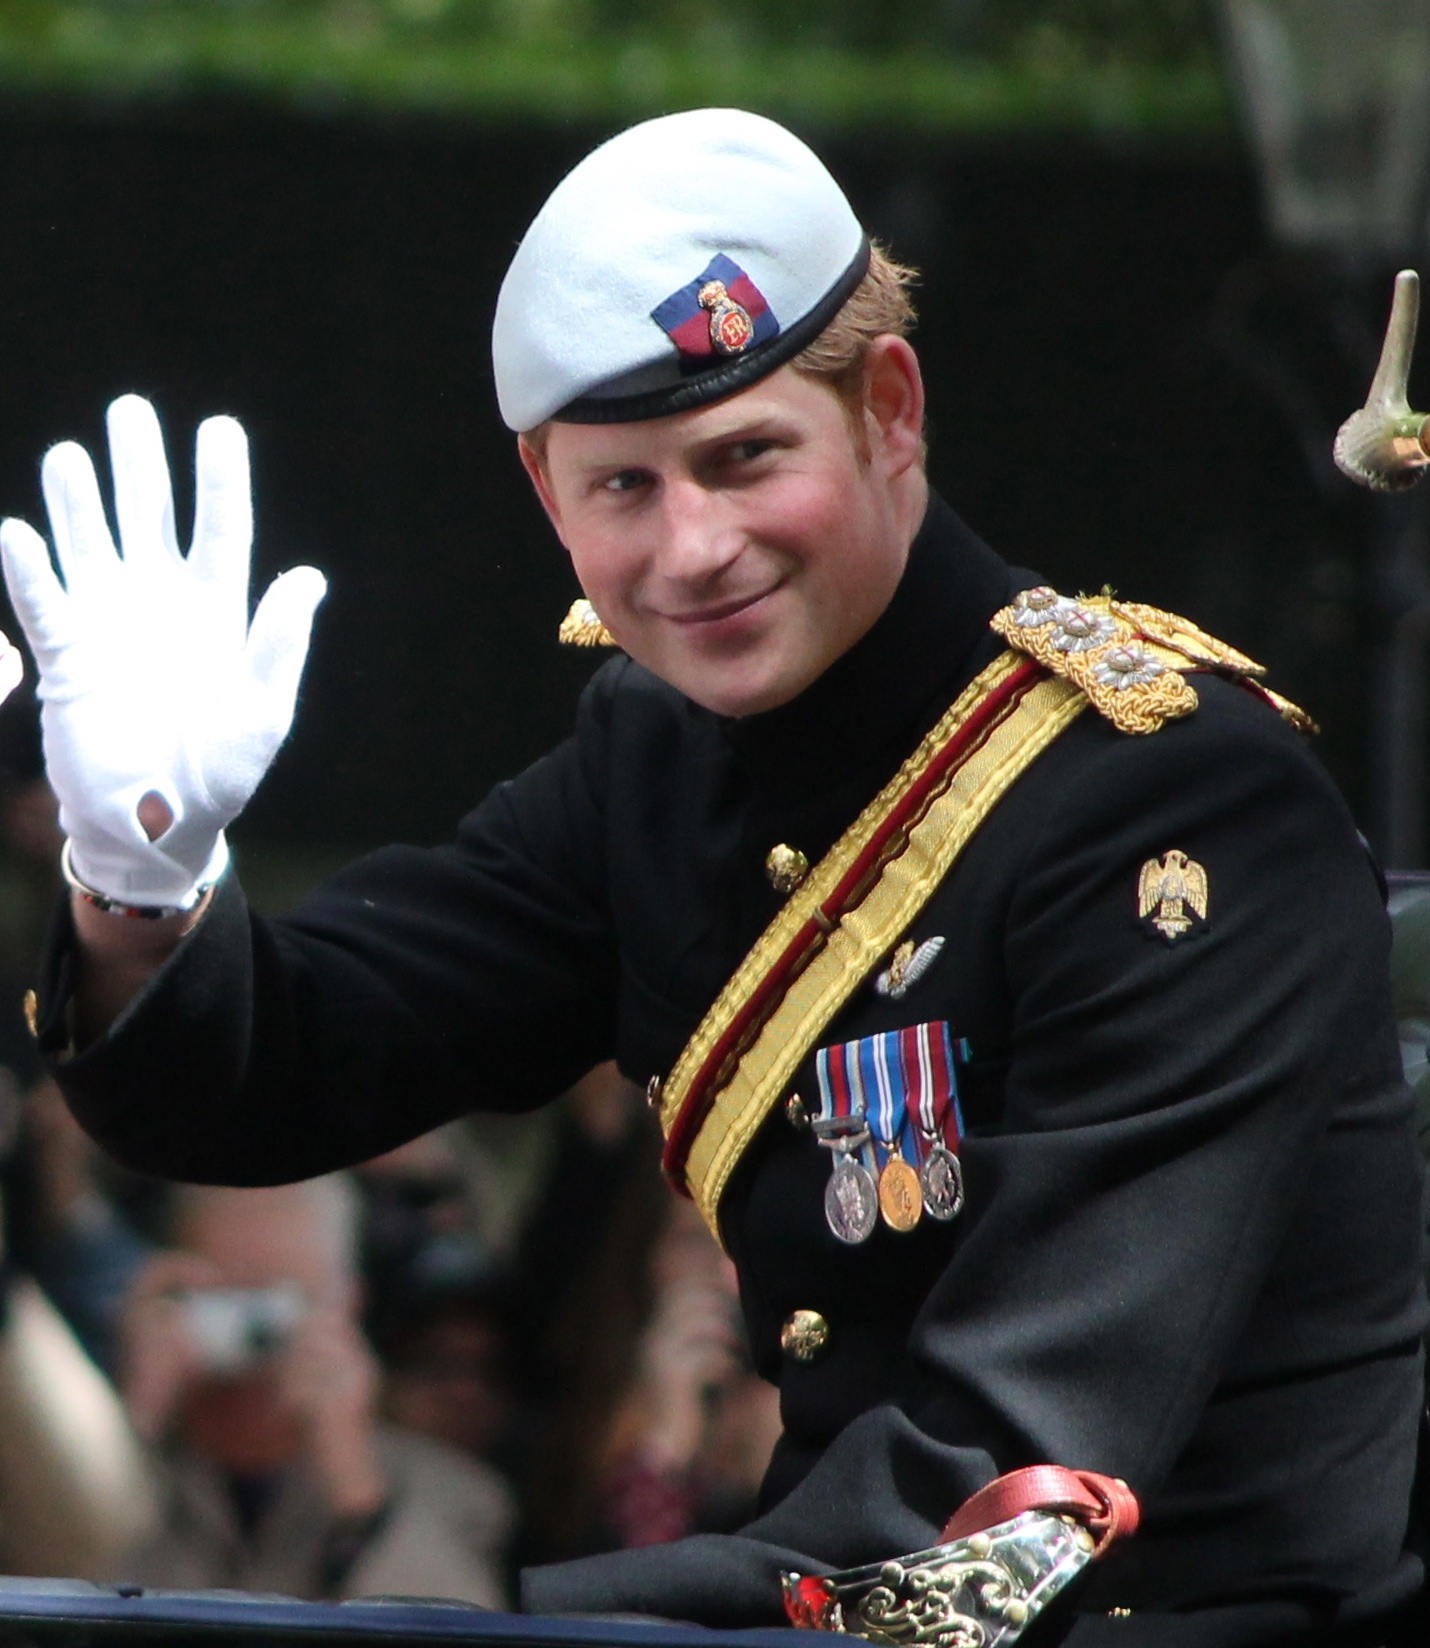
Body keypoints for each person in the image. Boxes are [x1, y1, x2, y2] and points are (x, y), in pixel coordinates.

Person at [0, 108, 1423, 1645]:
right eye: (623, 487)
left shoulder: (1172, 799)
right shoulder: (656, 754)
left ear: (888, 409)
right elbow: (288, 1068)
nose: (693, 549)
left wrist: (493, 1608)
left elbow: (998, 1492)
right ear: (546, 498)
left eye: (746, 457)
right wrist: (139, 878)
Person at [112, 1177, 513, 1605]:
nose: (253, 1342)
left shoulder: (453, 1495)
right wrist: (131, 1422)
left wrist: (357, 1496)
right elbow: (52, 1592)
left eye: (275, 1305)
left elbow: (462, 1633)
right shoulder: (132, 1477)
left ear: (350, 1304)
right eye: (223, 1303)